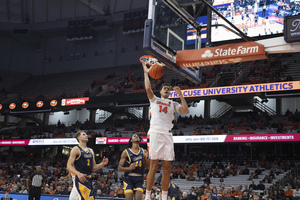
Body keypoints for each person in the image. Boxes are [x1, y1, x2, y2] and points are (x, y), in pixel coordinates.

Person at [142, 62, 189, 200]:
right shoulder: (154, 100)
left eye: (169, 89)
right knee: (153, 166)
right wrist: (146, 73)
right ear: (161, 91)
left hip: (167, 134)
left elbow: (186, 110)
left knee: (167, 168)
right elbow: (147, 87)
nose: (167, 90)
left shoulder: (173, 104)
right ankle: (148, 196)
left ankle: (163, 196)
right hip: (155, 133)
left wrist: (180, 95)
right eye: (165, 88)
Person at [67, 130, 109, 200]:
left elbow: (93, 168)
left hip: (88, 178)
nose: (86, 135)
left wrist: (102, 164)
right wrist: (78, 174)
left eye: (86, 134)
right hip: (81, 178)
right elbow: (68, 165)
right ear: (79, 138)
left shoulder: (91, 151)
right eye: (83, 134)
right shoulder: (76, 149)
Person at [118, 134, 148, 200]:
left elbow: (148, 167)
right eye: (134, 136)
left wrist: (147, 158)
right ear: (131, 140)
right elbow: (119, 169)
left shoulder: (144, 152)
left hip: (139, 178)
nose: (136, 136)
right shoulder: (126, 152)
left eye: (137, 136)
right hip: (128, 178)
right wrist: (129, 168)